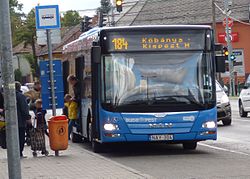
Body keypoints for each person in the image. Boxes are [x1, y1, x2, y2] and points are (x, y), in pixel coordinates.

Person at [15, 81, 31, 157]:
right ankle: (19, 153)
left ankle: (14, 153)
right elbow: (24, 108)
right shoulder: (21, 96)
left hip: (11, 122)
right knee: (21, 137)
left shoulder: (8, 96)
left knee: (14, 138)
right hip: (20, 121)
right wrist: (28, 118)